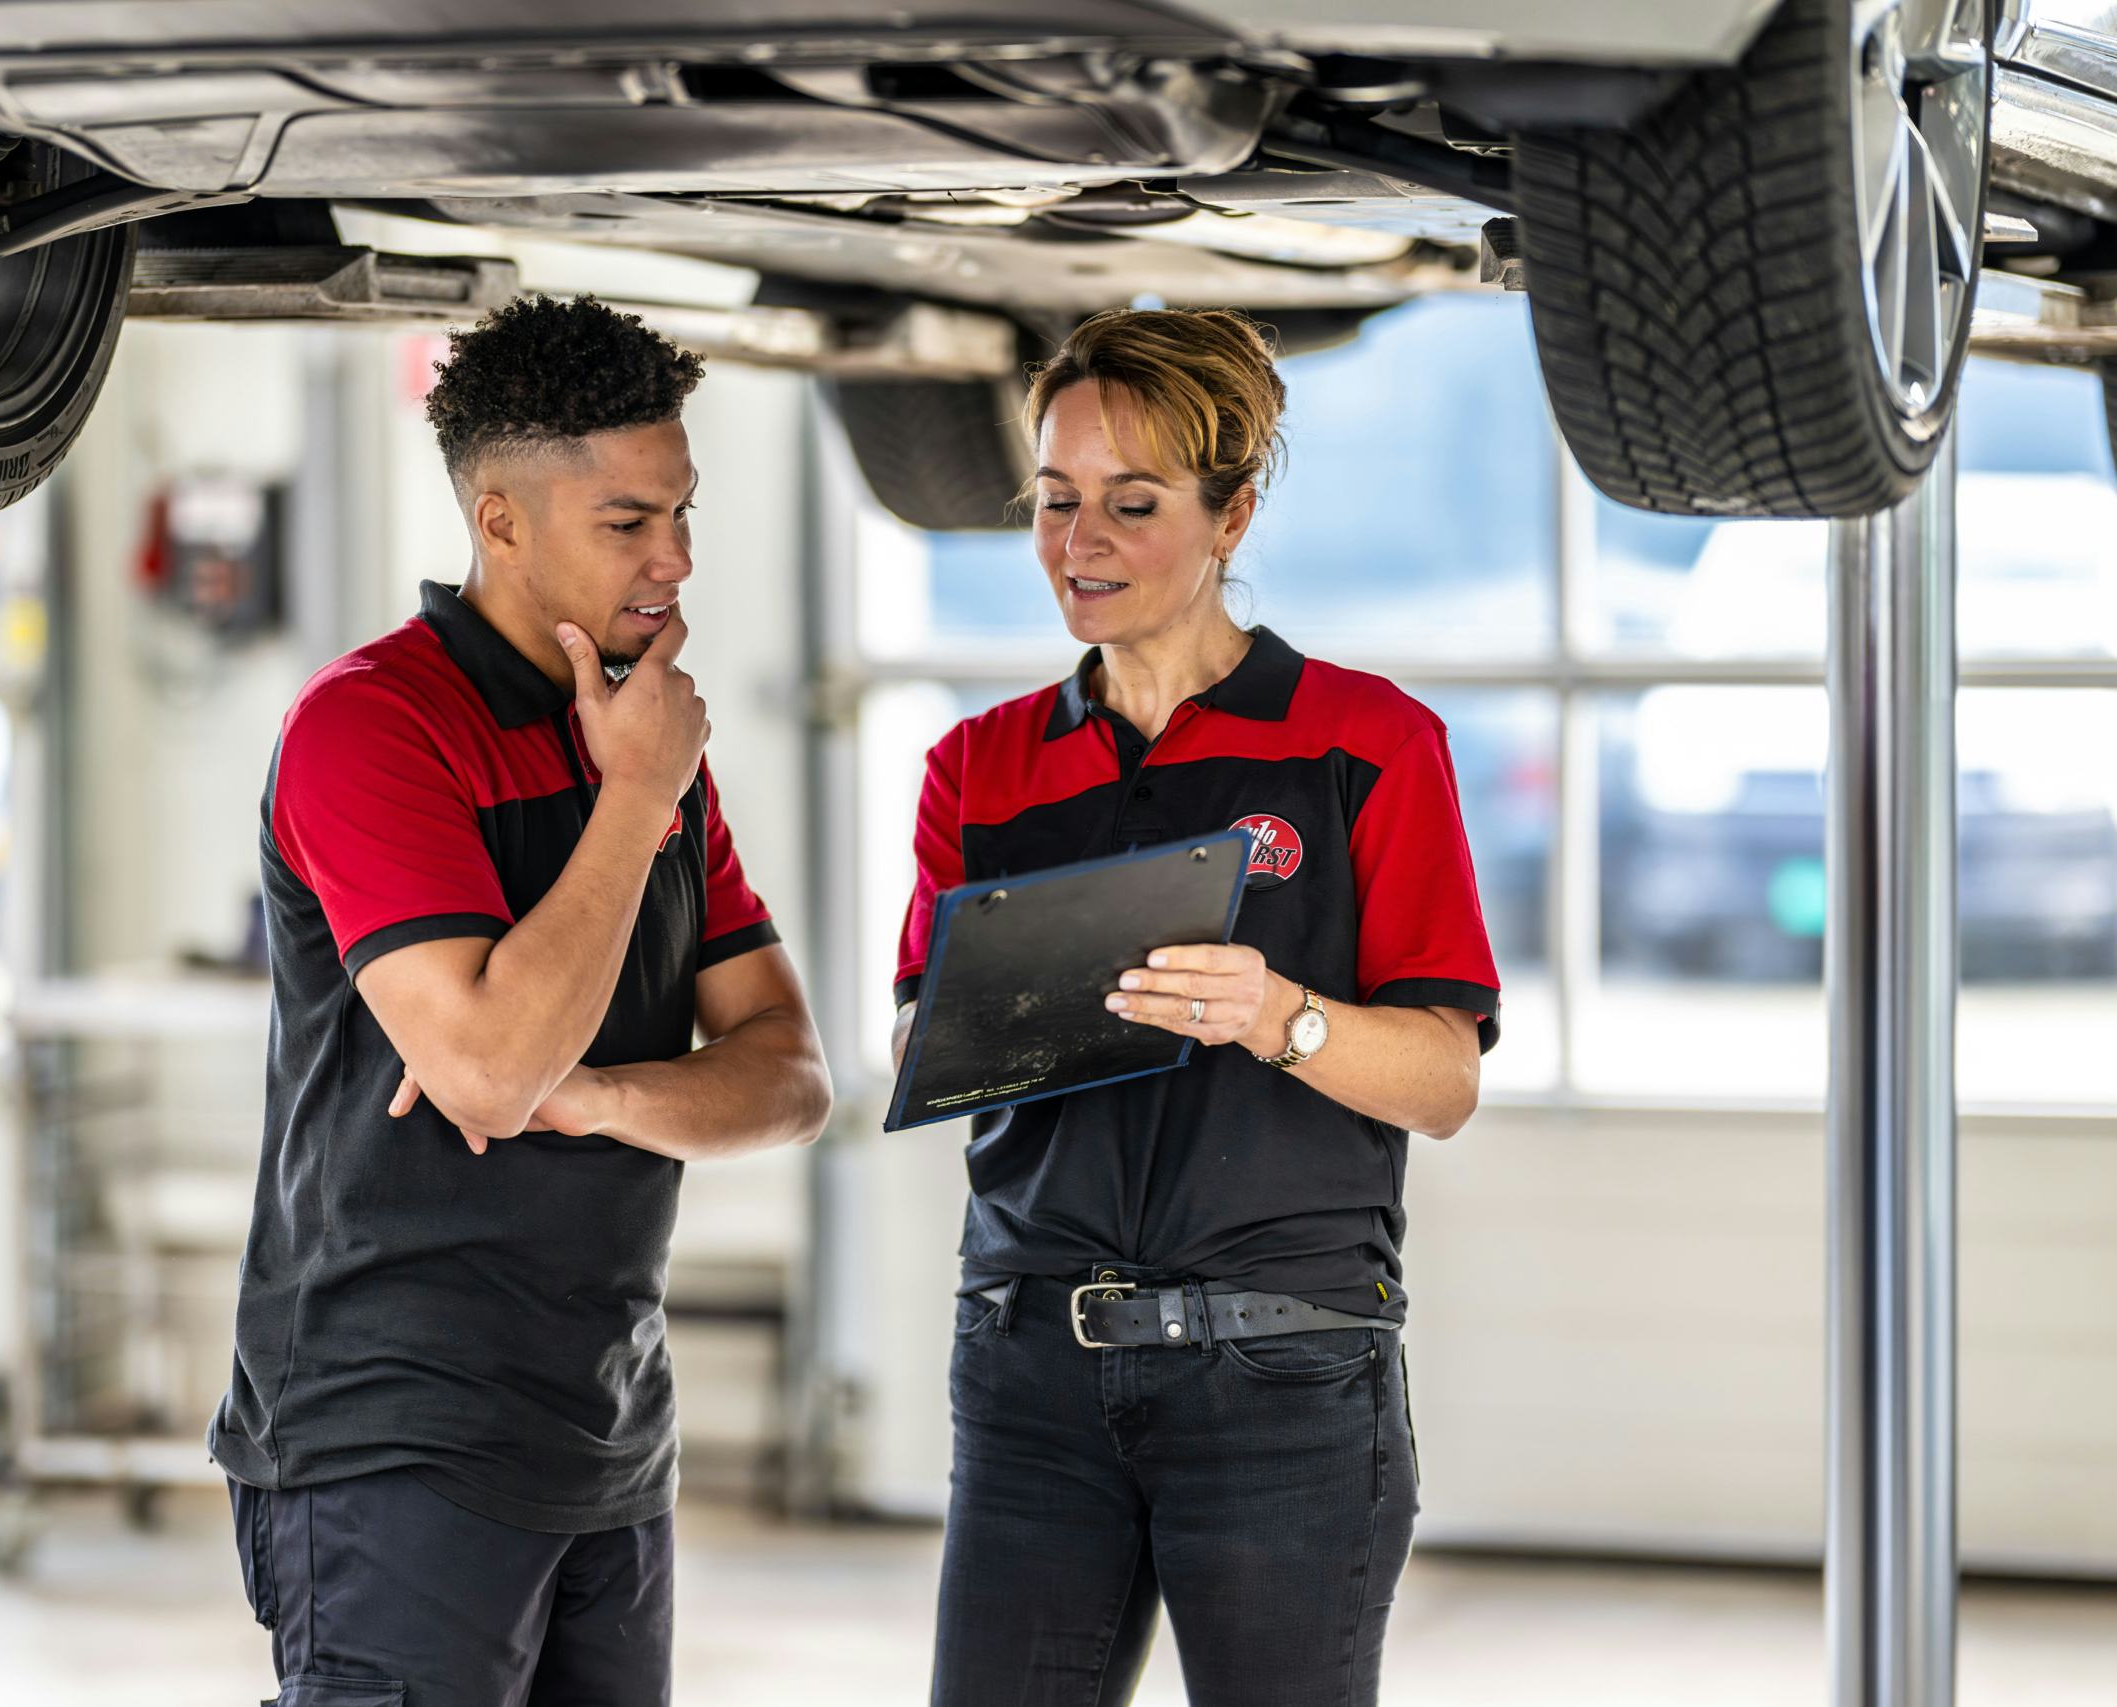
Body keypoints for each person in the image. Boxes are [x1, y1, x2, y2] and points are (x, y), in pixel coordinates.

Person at [209, 294, 832, 1707]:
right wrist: (633, 803)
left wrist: (607, 1094)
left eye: (681, 511)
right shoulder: (372, 728)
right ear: (500, 522)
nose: (675, 559)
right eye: (628, 522)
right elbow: (488, 1072)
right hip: (395, 1436)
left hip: (608, 1427)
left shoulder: (646, 728)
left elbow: (790, 1076)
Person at [894, 307, 1500, 1706]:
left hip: (1284, 1378)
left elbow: (1444, 1082)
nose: (1078, 540)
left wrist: (1283, 1015)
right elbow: (918, 1046)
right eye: (1054, 501)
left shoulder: (1367, 745)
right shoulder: (978, 769)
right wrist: (985, 1018)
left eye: (1132, 503)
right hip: (1031, 1370)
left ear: (1231, 517)